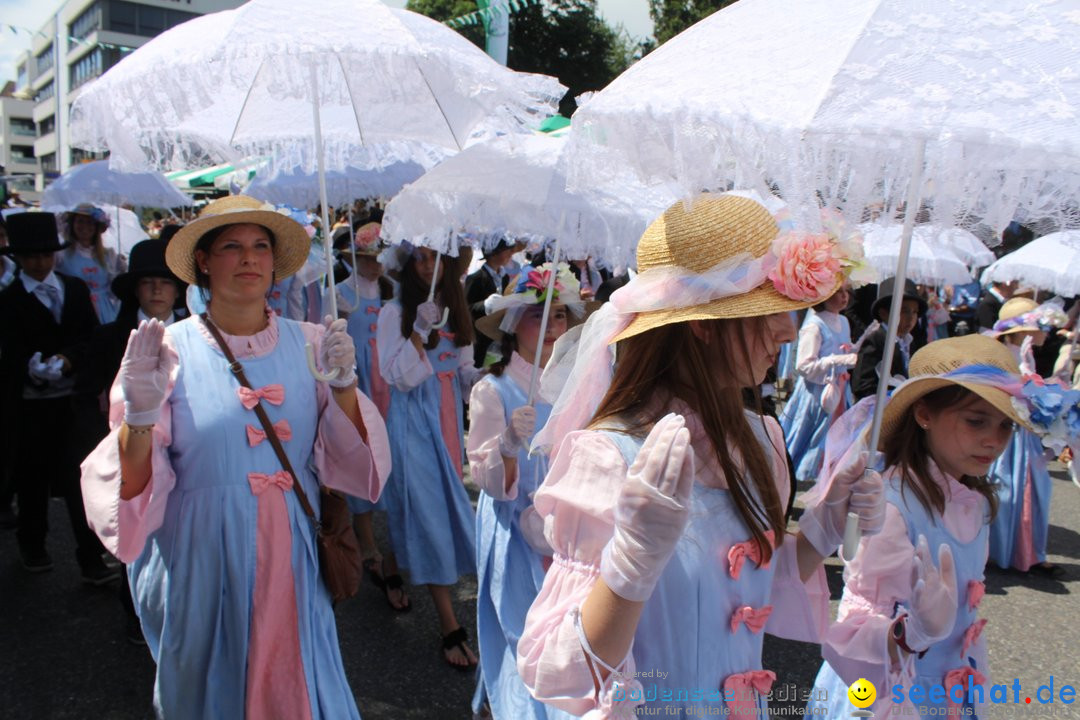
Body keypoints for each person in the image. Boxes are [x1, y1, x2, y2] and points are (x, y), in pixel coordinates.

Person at [516, 193, 884, 716]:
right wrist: (629, 568)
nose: (787, 331)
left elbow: (758, 581)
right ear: (703, 324)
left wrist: (826, 523)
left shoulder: (762, 439)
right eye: (768, 311)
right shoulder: (609, 455)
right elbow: (560, 670)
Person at [80, 196, 391, 719]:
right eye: (232, 247)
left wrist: (343, 389)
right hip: (202, 558)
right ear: (203, 261)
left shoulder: (314, 343)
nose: (249, 259)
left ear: (273, 262)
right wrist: (137, 415)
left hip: (292, 554)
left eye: (260, 247)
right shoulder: (165, 349)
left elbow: (354, 467)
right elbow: (131, 489)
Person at [807, 334, 1047, 718]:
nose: (994, 440)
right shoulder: (891, 505)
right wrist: (911, 632)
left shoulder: (974, 501)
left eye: (1006, 426)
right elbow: (855, 625)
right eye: (976, 421)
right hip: (889, 688)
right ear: (924, 414)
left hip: (948, 680)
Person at [468, 263, 586, 719]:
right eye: (540, 316)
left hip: (570, 531)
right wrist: (508, 446)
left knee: (565, 633)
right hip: (515, 528)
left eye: (561, 316)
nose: (554, 327)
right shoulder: (493, 389)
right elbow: (486, 478)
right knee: (520, 626)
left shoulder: (581, 384)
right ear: (515, 326)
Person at [376, 243, 480, 667]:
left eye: (437, 256)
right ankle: (448, 624)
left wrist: (492, 376)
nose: (427, 266)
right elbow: (397, 378)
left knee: (422, 511)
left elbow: (464, 372)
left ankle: (388, 565)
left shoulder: (458, 306)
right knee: (430, 516)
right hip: (414, 423)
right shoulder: (391, 313)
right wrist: (418, 332)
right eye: (419, 256)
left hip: (449, 422)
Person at [0, 212, 117, 582]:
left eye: (45, 254)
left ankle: (91, 557)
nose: (39, 262)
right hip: (31, 406)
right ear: (18, 258)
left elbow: (90, 337)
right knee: (32, 478)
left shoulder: (74, 288)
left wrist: (69, 358)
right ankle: (32, 544)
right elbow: (10, 348)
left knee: (79, 479)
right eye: (31, 256)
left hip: (73, 402)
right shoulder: (9, 298)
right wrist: (28, 365)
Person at [335, 221, 396, 590]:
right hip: (358, 382)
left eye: (380, 258)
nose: (376, 265)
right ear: (355, 257)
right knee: (362, 453)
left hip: (387, 382)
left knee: (390, 454)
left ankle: (392, 539)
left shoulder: (393, 291)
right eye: (369, 258)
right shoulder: (340, 293)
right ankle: (367, 541)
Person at [987, 298, 1067, 577]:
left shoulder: (1024, 353)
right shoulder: (1004, 355)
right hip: (1010, 434)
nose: (1047, 332)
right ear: (1024, 330)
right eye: (1041, 325)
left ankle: (1027, 552)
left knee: (1034, 490)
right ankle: (1007, 551)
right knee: (1009, 489)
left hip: (1025, 434)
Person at [780, 284, 857, 482]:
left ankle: (823, 474)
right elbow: (804, 366)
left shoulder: (844, 321)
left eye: (845, 292)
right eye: (838, 291)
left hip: (839, 389)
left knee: (835, 434)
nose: (844, 296)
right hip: (816, 393)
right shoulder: (814, 325)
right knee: (806, 435)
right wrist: (838, 360)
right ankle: (795, 475)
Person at [851, 278, 926, 400]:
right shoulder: (876, 340)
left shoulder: (909, 342)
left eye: (915, 312)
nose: (911, 317)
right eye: (904, 311)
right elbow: (862, 385)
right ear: (884, 313)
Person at [55, 203, 127, 324]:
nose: (84, 226)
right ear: (72, 224)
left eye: (90, 222)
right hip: (74, 309)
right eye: (80, 221)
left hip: (104, 311)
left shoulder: (108, 255)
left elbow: (115, 287)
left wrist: (121, 270)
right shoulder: (61, 255)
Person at [466, 237, 517, 368]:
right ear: (494, 252)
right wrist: (485, 305)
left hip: (497, 337)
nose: (511, 254)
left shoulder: (504, 277)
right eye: (507, 250)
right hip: (480, 338)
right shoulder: (476, 278)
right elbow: (466, 308)